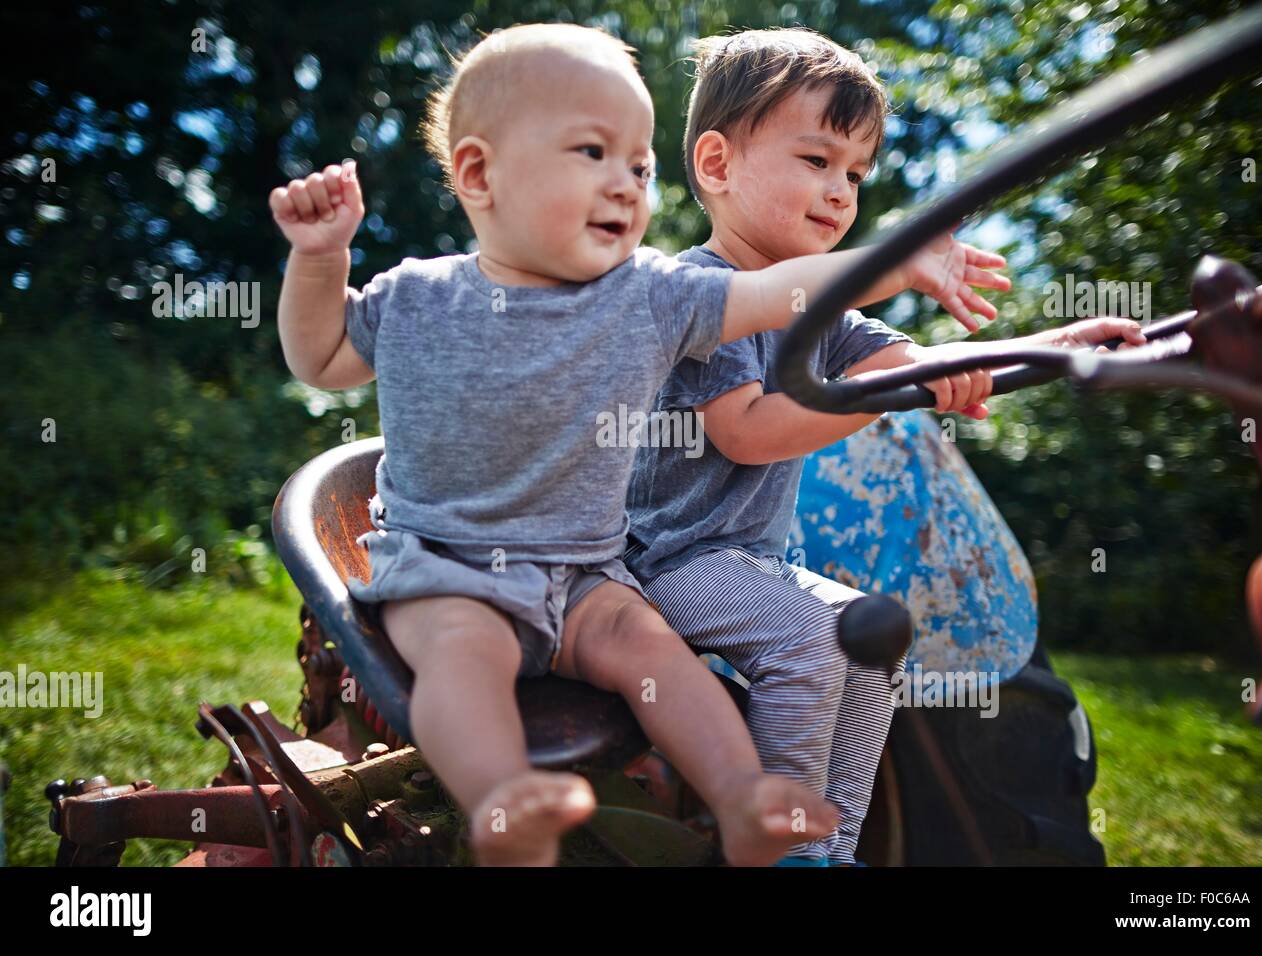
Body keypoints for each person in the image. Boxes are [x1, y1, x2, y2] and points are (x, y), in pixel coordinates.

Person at [268, 23, 998, 866]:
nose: (626, 184)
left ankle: (752, 804)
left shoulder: (647, 295)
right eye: (592, 152)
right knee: (465, 655)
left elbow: (788, 292)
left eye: (640, 166)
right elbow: (320, 358)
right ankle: (504, 798)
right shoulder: (418, 295)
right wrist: (319, 262)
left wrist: (910, 274)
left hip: (587, 573)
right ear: (479, 174)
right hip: (452, 564)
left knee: (660, 658)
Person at [626, 27, 1144, 865]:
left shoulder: (821, 320)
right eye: (817, 160)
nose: (841, 193)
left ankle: (833, 846)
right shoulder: (703, 296)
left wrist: (1064, 346)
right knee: (811, 635)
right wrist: (879, 399)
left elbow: (927, 363)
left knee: (874, 635)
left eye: (856, 174)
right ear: (717, 165)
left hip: (743, 562)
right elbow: (748, 434)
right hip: (664, 566)